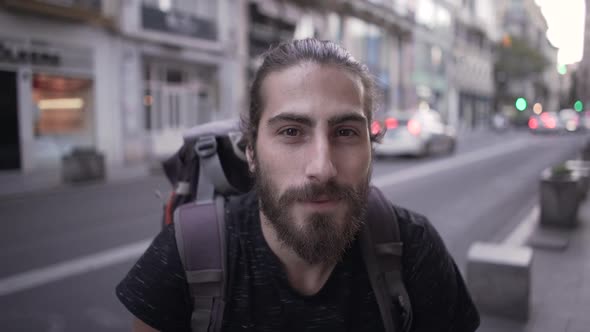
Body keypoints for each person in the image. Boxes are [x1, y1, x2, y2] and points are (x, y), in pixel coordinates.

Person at [116, 38, 480, 332]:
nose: (322, 168)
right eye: (291, 132)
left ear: (372, 146)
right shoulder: (185, 253)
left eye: (346, 132)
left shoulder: (414, 249)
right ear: (252, 152)